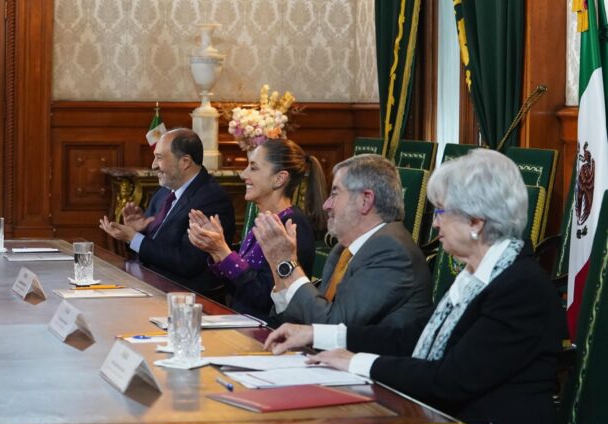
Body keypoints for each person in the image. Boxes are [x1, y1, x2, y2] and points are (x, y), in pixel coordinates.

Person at [265, 149, 567, 424]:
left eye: (441, 212)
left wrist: (356, 363)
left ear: (476, 223)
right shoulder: (477, 274)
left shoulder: (519, 288)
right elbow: (408, 337)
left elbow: (451, 380)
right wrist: (317, 334)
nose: (434, 222)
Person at [252, 153, 431, 327]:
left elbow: (333, 325)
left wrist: (288, 264)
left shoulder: (391, 251)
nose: (326, 205)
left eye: (335, 193)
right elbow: (310, 318)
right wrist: (278, 265)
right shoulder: (342, 250)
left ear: (365, 200)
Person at [186, 138, 325, 315]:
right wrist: (215, 250)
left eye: (253, 168)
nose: (243, 174)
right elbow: (235, 290)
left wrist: (223, 252)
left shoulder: (292, 225)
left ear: (279, 179)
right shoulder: (266, 220)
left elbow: (266, 300)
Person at [98, 129, 234, 298]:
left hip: (185, 298)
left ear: (185, 162)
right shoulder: (164, 191)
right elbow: (153, 248)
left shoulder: (210, 199)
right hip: (148, 285)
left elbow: (187, 263)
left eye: (160, 157)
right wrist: (140, 231)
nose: (154, 165)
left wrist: (134, 238)